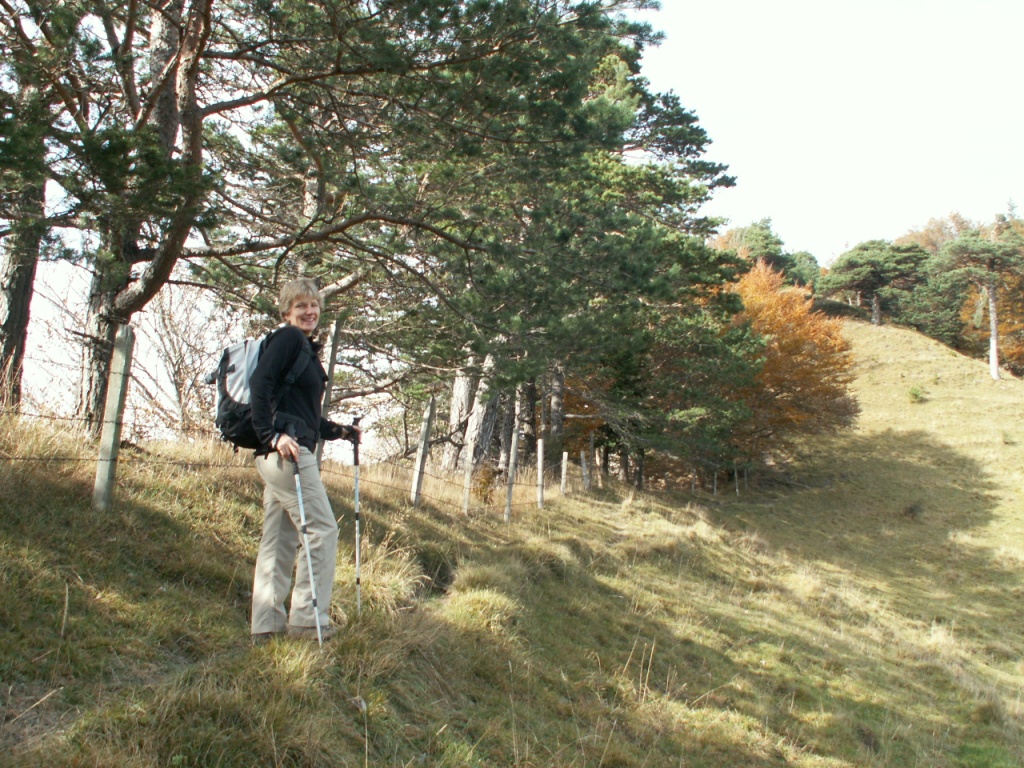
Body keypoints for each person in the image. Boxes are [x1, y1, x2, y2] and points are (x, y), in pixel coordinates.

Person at [248, 277, 357, 644]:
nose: (309, 312)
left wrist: (338, 431)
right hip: (286, 454)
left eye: (313, 306)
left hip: (282, 453)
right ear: (286, 312)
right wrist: (272, 435)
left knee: (278, 539)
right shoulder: (289, 339)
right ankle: (309, 623)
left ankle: (266, 625)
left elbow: (305, 415)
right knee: (323, 530)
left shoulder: (304, 349)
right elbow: (259, 386)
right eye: (301, 306)